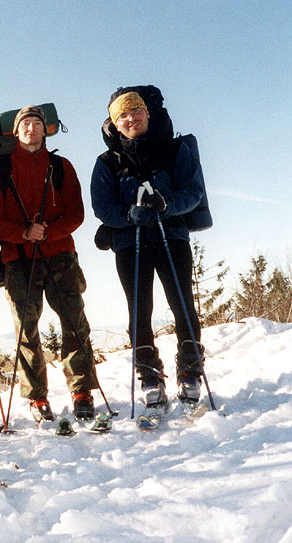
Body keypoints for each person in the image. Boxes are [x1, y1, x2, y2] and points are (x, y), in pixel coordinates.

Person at [90, 89, 205, 407]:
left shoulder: (174, 149)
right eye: (122, 115)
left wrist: (166, 205)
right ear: (114, 123)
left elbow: (192, 192)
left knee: (182, 304)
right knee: (140, 311)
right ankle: (149, 376)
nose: (131, 118)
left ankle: (190, 372)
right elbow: (102, 207)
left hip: (173, 237)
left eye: (136, 111)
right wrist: (129, 214)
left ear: (148, 114)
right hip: (131, 243)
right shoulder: (107, 162)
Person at [0, 106, 99, 421]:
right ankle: (37, 398)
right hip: (17, 259)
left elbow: (76, 213)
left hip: (61, 254)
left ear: (46, 130)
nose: (31, 129)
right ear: (15, 132)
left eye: (37, 123)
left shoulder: (61, 166)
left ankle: (81, 390)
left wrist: (47, 232)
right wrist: (23, 233)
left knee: (74, 322)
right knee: (26, 329)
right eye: (25, 124)